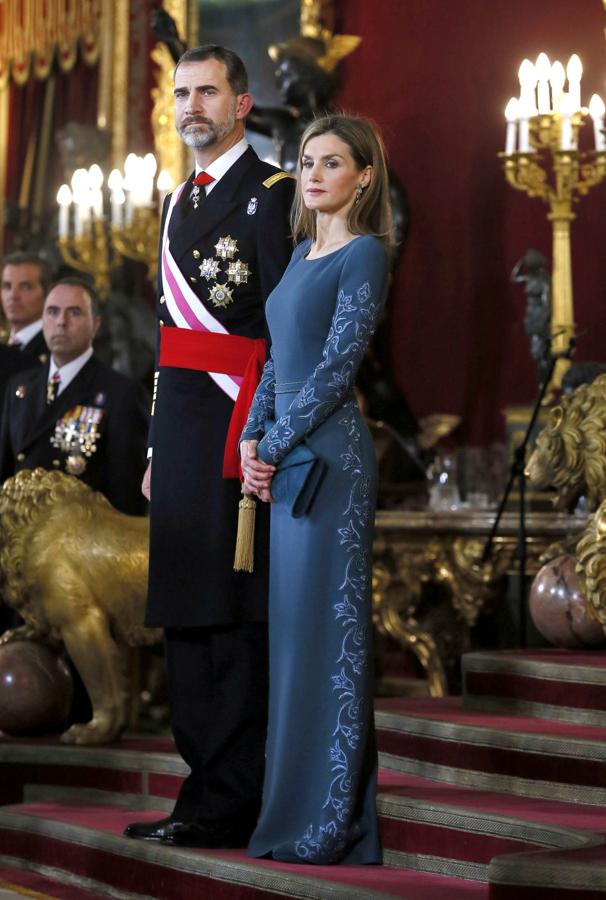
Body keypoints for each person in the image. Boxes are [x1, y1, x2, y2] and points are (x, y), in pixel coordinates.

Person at [124, 45, 294, 848]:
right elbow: (170, 335)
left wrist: (265, 427)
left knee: (231, 619)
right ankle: (200, 790)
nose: (191, 106)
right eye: (181, 93)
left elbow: (285, 332)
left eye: (206, 92)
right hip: (184, 435)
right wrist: (159, 445)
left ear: (242, 103)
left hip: (240, 429)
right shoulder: (174, 202)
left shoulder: (275, 195)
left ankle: (232, 798)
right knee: (186, 614)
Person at [239, 114, 391, 865]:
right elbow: (276, 359)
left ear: (364, 176)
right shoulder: (301, 252)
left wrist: (274, 440)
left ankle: (330, 823)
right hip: (288, 454)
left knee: (328, 639)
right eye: (305, 162)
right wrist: (250, 440)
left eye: (331, 163)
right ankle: (289, 815)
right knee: (292, 642)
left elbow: (337, 367)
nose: (313, 174)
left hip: (332, 462)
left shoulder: (366, 254)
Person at [0, 277, 149, 516]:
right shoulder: (19, 387)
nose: (61, 322)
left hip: (81, 541)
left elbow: (127, 499)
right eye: (52, 312)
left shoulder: (121, 394)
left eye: (74, 312)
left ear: (95, 324)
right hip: (21, 536)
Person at [1, 252, 52, 362]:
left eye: (25, 287)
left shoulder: (54, 349)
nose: (13, 296)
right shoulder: (4, 343)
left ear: (47, 294)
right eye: (7, 286)